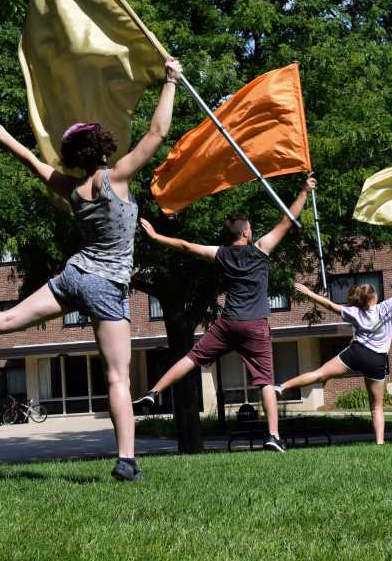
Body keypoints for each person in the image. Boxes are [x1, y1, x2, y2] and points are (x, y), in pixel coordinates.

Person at [0, 57, 184, 482]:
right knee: (118, 377)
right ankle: (126, 460)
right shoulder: (116, 178)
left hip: (74, 276)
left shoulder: (70, 188)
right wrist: (171, 81)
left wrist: (3, 135)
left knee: (8, 319)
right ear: (103, 149)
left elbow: (32, 160)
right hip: (105, 285)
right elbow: (158, 132)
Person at [134, 176, 317, 453]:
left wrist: (156, 236)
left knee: (191, 357)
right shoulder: (260, 250)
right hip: (255, 325)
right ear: (245, 233)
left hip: (228, 323)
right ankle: (273, 435)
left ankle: (153, 392)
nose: (252, 231)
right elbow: (287, 220)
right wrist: (304, 191)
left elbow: (185, 246)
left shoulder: (220, 254)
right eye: (251, 228)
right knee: (265, 381)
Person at [273, 262, 392, 444]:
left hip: (356, 353)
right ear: (374, 297)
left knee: (319, 373)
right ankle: (379, 443)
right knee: (377, 406)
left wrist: (309, 293)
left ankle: (282, 386)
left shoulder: (354, 312)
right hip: (377, 360)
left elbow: (329, 305)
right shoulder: (385, 307)